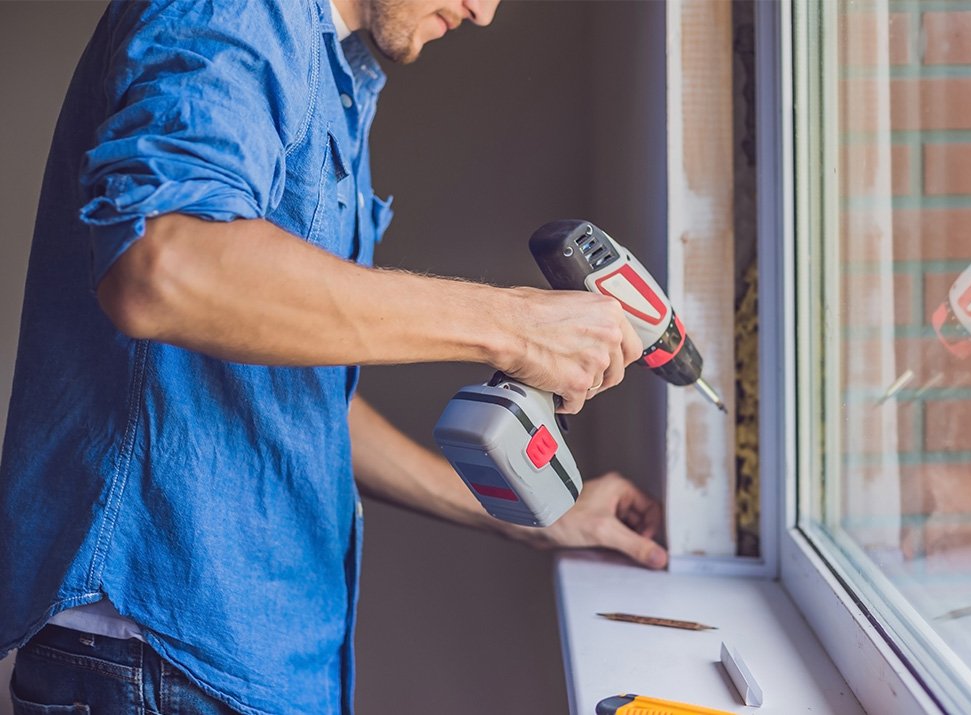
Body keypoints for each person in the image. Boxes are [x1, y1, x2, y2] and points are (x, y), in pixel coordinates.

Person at [0, 1, 667, 713]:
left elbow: (296, 403)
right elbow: (163, 264)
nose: (483, 11)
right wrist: (514, 325)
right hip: (163, 658)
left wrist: (531, 517)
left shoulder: (336, 70)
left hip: (245, 658)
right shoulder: (239, 11)